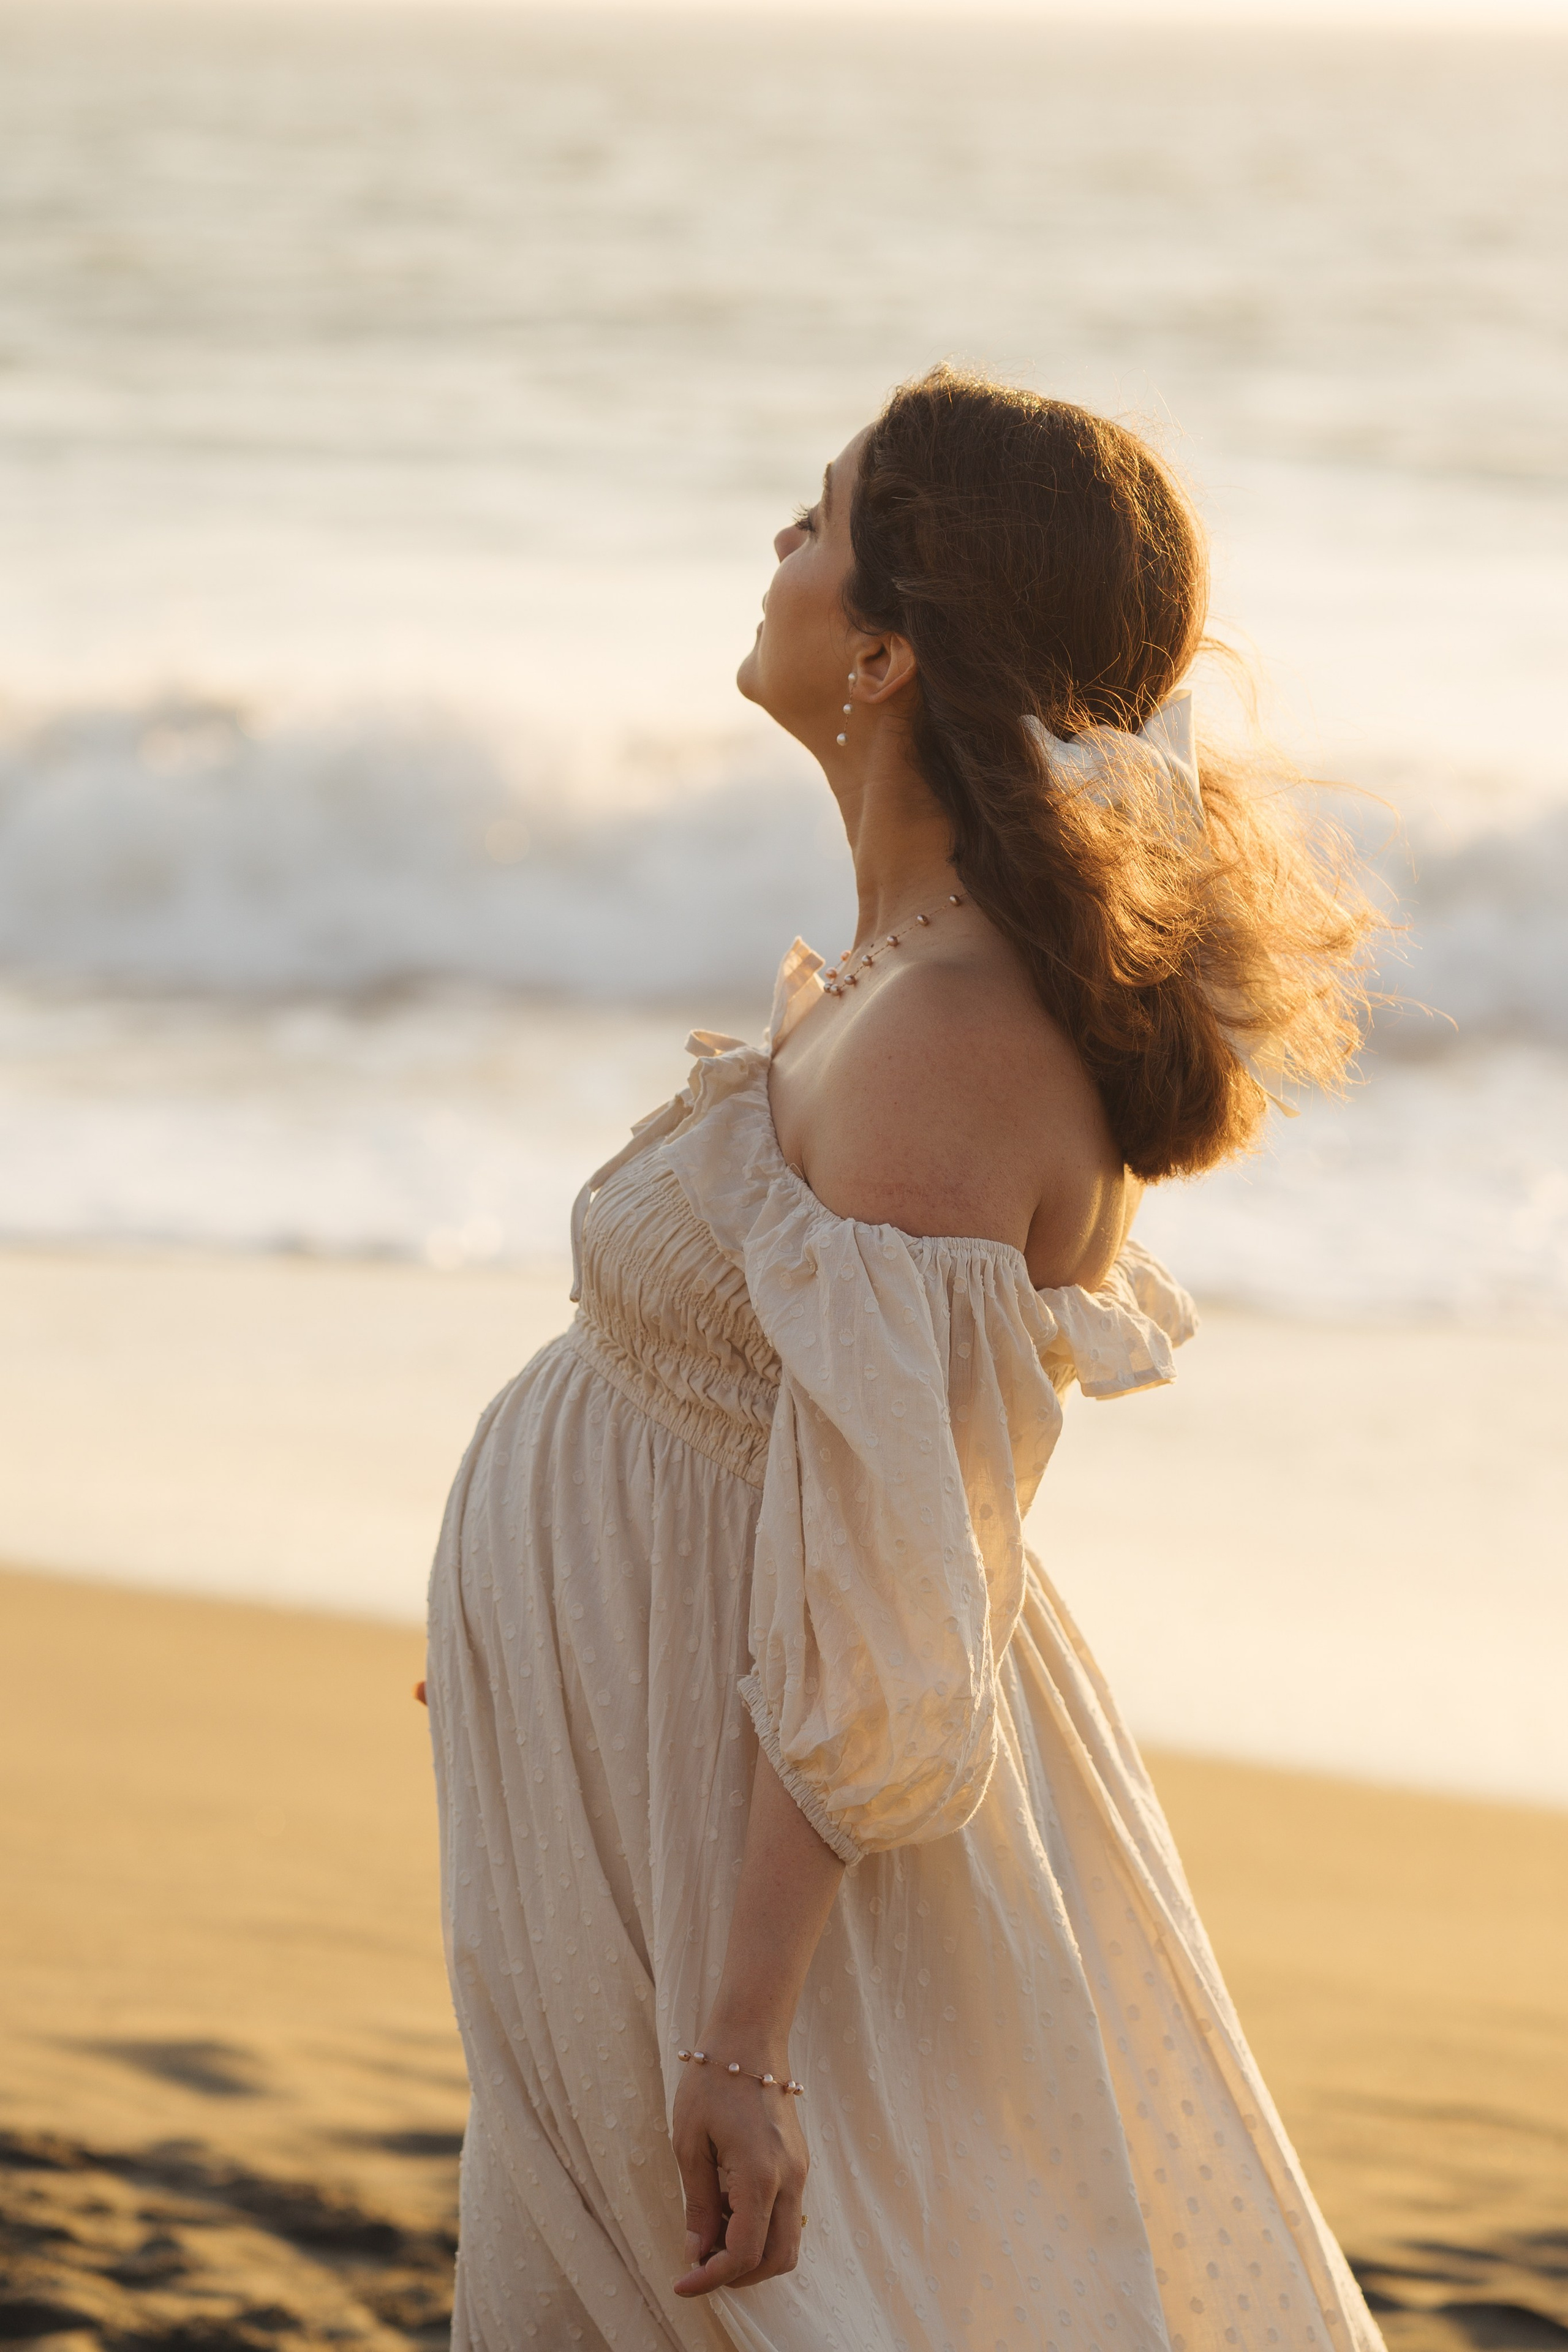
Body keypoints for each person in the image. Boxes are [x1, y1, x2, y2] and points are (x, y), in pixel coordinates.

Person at [425, 364, 1385, 2352]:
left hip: (755, 1881)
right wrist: (532, 1638)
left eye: (819, 514)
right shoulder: (890, 971)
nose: (777, 545)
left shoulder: (958, 1033)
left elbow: (888, 1601)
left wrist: (745, 2043)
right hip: (643, 1784)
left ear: (884, 643)